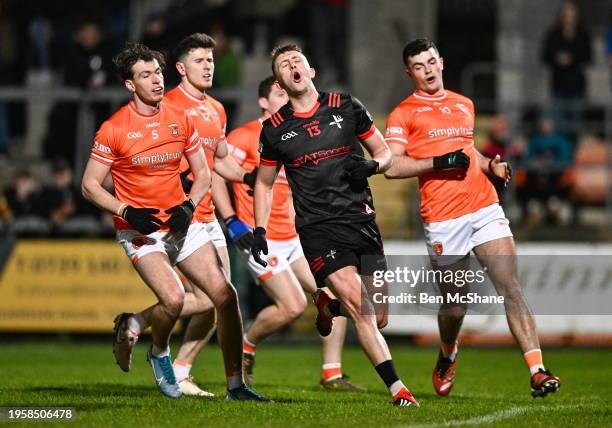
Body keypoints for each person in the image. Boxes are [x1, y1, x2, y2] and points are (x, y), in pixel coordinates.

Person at [81, 43, 266, 401]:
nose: (155, 81)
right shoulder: (114, 128)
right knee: (174, 300)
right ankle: (160, 350)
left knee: (225, 297)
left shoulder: (181, 117)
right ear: (130, 85)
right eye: (145, 75)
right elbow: (89, 185)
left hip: (182, 223)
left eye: (157, 73)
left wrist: (189, 204)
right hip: (141, 231)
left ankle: (236, 387)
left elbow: (202, 173)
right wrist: (125, 212)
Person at [384, 38, 561, 398]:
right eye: (419, 66)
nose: (428, 70)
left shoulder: (464, 104)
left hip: (484, 207)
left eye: (432, 62)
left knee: (510, 286)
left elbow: (468, 150)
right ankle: (448, 351)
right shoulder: (404, 113)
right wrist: (438, 163)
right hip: (443, 218)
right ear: (410, 72)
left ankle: (537, 370)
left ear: (442, 62)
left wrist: (490, 164)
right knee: (454, 305)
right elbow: (391, 166)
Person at [251, 44, 418, 407]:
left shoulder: (346, 105)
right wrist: (259, 229)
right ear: (280, 80)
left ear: (310, 70)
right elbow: (263, 183)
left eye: (297, 60)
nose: (292, 66)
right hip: (318, 228)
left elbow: (386, 152)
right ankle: (399, 390)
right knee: (361, 306)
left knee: (380, 314)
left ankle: (328, 304)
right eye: (283, 65)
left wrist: (374, 167)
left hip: (362, 221)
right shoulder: (275, 130)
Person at [213, 75, 363, 391]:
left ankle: (331, 374)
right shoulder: (245, 136)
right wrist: (231, 221)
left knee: (338, 295)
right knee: (293, 306)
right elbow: (216, 174)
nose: (286, 98)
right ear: (263, 102)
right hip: (261, 239)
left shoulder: (294, 136)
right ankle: (248, 344)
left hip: (295, 236)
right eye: (279, 93)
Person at [541, 0, 592, 145]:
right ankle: (562, 156)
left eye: (572, 14)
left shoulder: (583, 34)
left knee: (575, 123)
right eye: (566, 14)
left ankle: (573, 154)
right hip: (558, 84)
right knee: (558, 123)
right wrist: (558, 58)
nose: (569, 17)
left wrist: (572, 58)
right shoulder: (554, 34)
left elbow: (588, 56)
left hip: (576, 85)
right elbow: (545, 55)